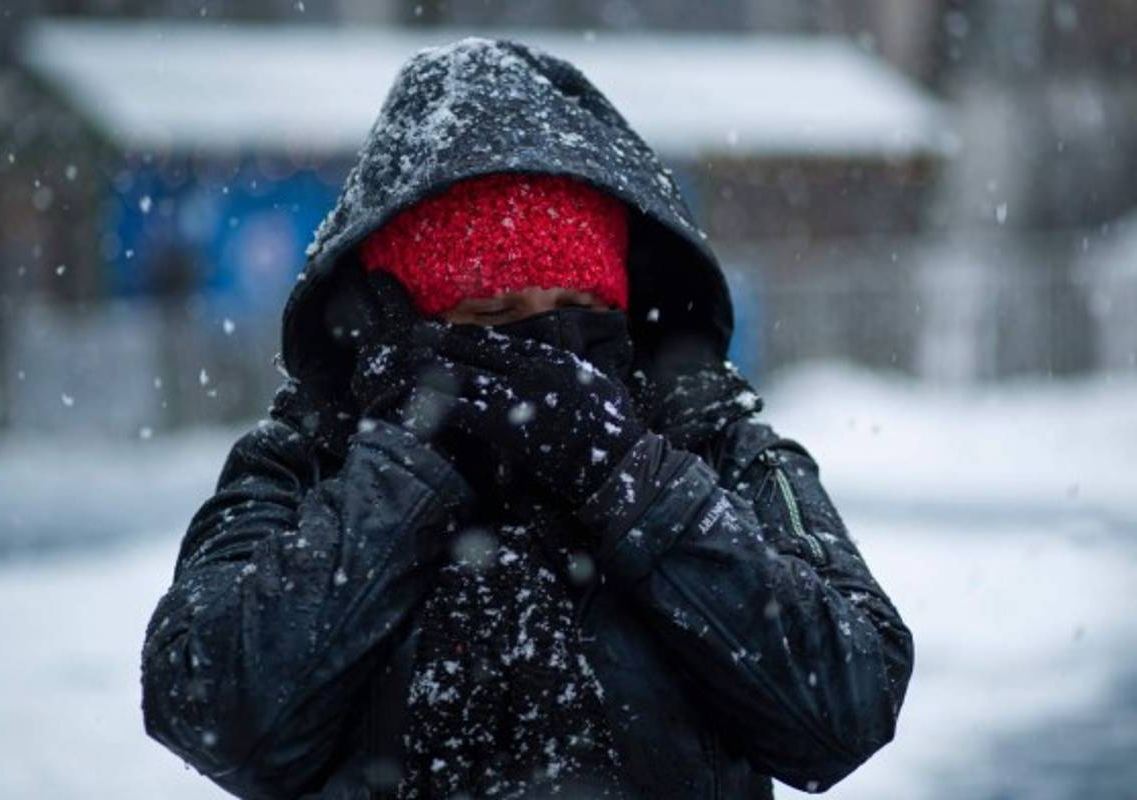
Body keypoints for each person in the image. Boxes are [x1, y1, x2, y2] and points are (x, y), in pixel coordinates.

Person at [140, 37, 913, 800]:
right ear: (406, 319)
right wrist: (408, 469)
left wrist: (626, 474)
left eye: (580, 309)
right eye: (496, 313)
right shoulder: (307, 462)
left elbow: (846, 705)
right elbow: (213, 712)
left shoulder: (711, 443)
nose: (550, 353)